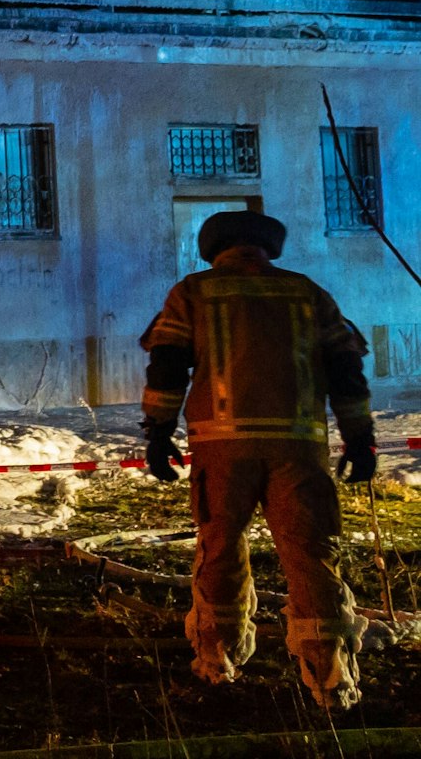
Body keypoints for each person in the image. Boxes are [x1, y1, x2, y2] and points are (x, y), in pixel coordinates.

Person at [140, 209, 374, 711]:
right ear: (269, 247)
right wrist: (361, 439)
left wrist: (157, 433)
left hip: (222, 449)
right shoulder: (306, 293)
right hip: (299, 449)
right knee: (311, 555)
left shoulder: (193, 293)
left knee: (220, 548)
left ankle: (216, 660)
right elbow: (346, 369)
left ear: (212, 248)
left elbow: (166, 365)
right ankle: (330, 677)